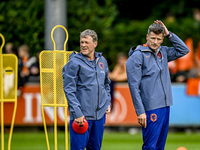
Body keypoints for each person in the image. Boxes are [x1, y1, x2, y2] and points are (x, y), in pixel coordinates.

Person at [126, 20, 189, 150]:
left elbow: (184, 50)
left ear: (162, 39)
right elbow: (133, 87)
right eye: (153, 38)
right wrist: (140, 111)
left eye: (159, 39)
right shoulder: (137, 56)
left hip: (165, 107)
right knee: (150, 147)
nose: (155, 42)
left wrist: (169, 34)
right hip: (150, 108)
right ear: (147, 37)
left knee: (160, 147)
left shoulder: (163, 52)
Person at [62, 29, 111, 150]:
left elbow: (106, 84)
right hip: (81, 117)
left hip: (99, 116)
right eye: (81, 42)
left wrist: (107, 102)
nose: (83, 45)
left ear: (95, 44)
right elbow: (69, 90)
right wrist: (77, 113)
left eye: (86, 42)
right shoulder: (73, 62)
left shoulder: (102, 61)